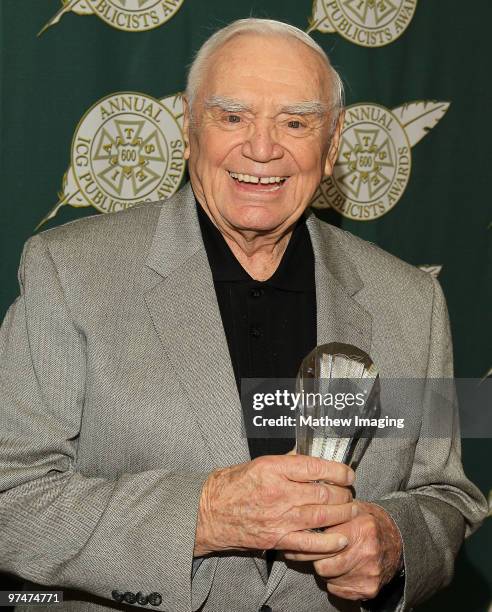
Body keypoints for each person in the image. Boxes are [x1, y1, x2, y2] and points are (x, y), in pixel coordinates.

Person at [0, 18, 487, 612]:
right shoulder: (70, 272)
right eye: (232, 117)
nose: (261, 148)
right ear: (188, 132)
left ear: (332, 148)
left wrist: (397, 541)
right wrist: (203, 514)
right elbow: (11, 496)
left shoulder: (409, 301)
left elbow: (445, 495)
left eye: (296, 122)